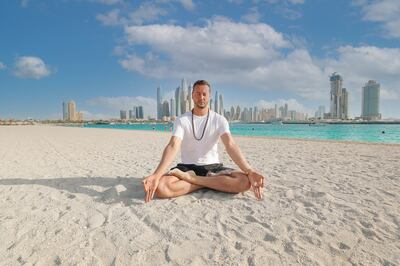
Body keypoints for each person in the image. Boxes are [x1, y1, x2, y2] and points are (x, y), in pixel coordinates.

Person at [142, 80, 265, 203]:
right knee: (161, 188)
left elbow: (230, 145)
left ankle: (193, 180)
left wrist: (250, 171)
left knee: (244, 182)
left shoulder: (219, 120)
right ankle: (210, 183)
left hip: (213, 168)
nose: (201, 97)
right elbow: (173, 145)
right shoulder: (182, 120)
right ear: (192, 95)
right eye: (198, 93)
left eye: (204, 94)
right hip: (187, 167)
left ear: (209, 96)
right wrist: (157, 174)